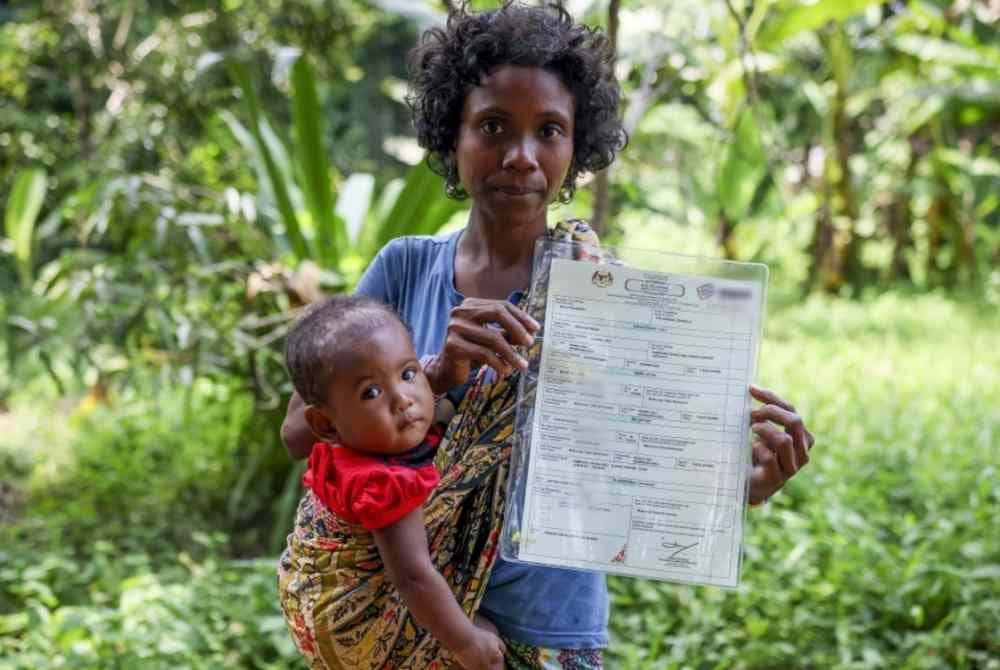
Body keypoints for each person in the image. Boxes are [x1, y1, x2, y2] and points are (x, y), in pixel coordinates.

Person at [279, 2, 816, 668]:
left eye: (550, 130)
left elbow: (643, 462)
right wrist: (434, 369)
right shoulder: (404, 267)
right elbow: (301, 431)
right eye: (494, 125)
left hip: (547, 625)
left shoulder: (607, 293)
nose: (521, 156)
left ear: (575, 147)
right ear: (454, 134)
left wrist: (739, 489)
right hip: (405, 618)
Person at [281, 295, 505, 669]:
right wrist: (469, 645)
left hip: (312, 614)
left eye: (408, 373)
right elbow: (414, 577)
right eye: (371, 392)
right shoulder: (384, 482)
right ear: (325, 425)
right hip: (355, 625)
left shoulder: (361, 444)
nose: (402, 399)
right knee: (483, 637)